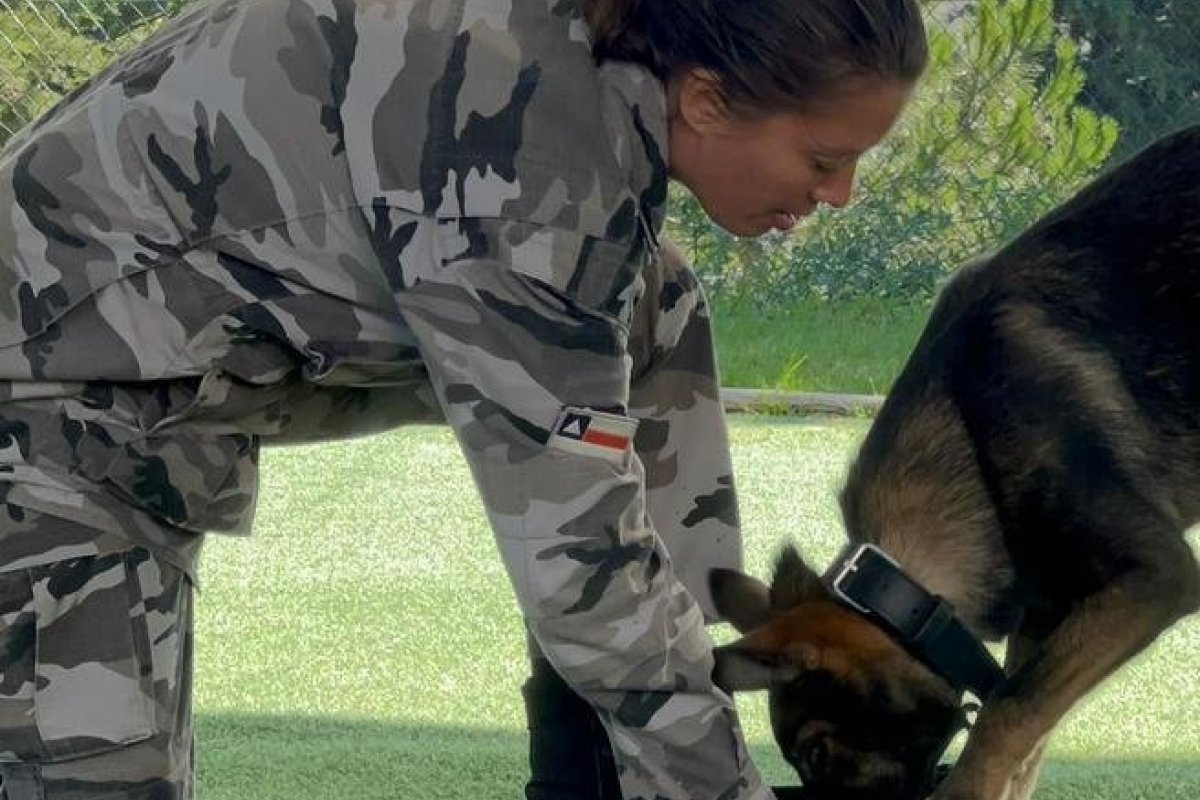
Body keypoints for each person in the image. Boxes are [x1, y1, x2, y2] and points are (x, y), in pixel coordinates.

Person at [0, 0, 926, 798]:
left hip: (118, 367)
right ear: (707, 99)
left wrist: (697, 664)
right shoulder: (530, 185)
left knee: (655, 302)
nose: (840, 195)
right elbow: (580, 568)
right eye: (822, 158)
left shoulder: (577, 84)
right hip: (40, 400)